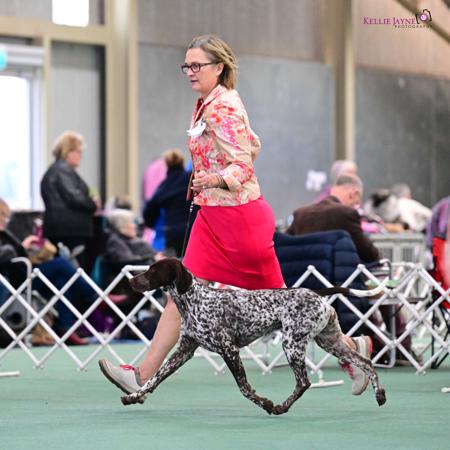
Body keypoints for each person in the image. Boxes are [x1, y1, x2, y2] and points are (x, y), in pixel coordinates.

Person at [99, 34, 370, 397]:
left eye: (197, 65)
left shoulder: (222, 106)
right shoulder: (208, 102)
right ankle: (141, 374)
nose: (189, 71)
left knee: (286, 304)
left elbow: (243, 164)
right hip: (213, 217)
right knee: (180, 293)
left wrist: (214, 178)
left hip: (239, 220)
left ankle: (353, 352)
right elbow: (253, 143)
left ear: (219, 67)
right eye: (186, 65)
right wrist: (207, 176)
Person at [0, 198, 103, 345]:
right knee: (61, 264)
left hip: (24, 274)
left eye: (5, 216)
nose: (5, 220)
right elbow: (7, 255)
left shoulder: (6, 234)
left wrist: (24, 247)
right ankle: (95, 296)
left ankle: (66, 329)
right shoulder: (4, 236)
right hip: (17, 278)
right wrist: (20, 247)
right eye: (2, 216)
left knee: (63, 281)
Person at [40, 131, 100, 270]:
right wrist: (93, 204)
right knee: (75, 270)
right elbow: (74, 197)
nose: (80, 156)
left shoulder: (56, 170)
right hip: (69, 231)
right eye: (78, 152)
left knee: (67, 269)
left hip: (62, 229)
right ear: (68, 151)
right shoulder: (62, 170)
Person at [289, 174, 379, 263]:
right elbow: (369, 254)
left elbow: (285, 244)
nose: (356, 207)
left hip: (302, 271)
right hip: (336, 272)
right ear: (353, 194)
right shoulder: (347, 214)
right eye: (356, 203)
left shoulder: (300, 214)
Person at [143, 149, 196, 257]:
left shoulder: (165, 185)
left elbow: (150, 206)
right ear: (182, 162)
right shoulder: (191, 178)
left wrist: (150, 223)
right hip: (193, 228)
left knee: (175, 262)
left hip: (173, 232)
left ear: (166, 165)